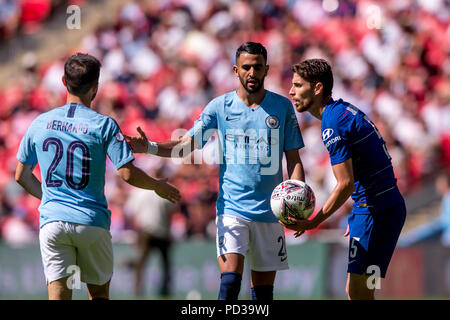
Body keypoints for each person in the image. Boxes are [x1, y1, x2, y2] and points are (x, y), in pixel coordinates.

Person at [125, 42, 305, 300]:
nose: (252, 73)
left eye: (257, 67)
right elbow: (186, 145)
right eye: (246, 67)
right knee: (230, 282)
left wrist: (295, 203)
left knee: (263, 295)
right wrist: (150, 147)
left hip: (270, 212)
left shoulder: (282, 107)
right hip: (232, 209)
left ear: (266, 69)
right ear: (235, 70)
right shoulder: (220, 107)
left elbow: (294, 160)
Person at [15, 53, 180, 300]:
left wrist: (50, 198)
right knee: (99, 294)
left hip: (52, 222)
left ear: (63, 81)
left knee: (58, 295)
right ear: (96, 87)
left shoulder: (40, 123)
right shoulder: (104, 125)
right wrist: (156, 185)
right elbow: (126, 173)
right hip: (90, 221)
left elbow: (21, 176)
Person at [284, 58, 407, 300]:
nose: (291, 91)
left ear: (317, 88)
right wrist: (360, 211)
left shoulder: (332, 124)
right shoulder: (342, 111)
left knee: (357, 292)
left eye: (298, 85)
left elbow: (345, 183)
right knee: (364, 292)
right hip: (384, 208)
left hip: (375, 211)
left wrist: (314, 221)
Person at [124, 165, 178, 298]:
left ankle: (138, 292)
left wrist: (136, 231)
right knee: (165, 265)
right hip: (162, 232)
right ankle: (165, 292)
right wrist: (170, 232)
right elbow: (170, 213)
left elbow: (130, 212)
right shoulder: (167, 188)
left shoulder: (139, 190)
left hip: (145, 231)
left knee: (141, 264)